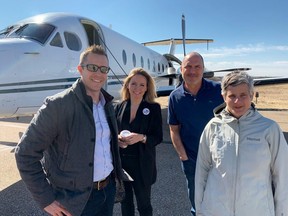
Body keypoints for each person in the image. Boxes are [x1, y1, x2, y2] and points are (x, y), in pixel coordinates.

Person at [15, 45, 125, 216]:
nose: (99, 74)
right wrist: (46, 200)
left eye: (104, 69)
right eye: (92, 68)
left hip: (107, 190)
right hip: (74, 201)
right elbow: (25, 153)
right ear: (80, 69)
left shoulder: (107, 104)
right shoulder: (57, 105)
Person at [195, 71, 288, 216]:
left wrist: (282, 212)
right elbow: (202, 171)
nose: (237, 101)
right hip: (216, 210)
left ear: (251, 95)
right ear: (224, 97)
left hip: (257, 210)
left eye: (243, 95)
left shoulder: (269, 129)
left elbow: (282, 176)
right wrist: (200, 210)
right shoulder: (213, 127)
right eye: (232, 96)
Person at [167, 52, 223, 215]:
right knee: (196, 202)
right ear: (181, 70)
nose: (192, 71)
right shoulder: (174, 97)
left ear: (203, 69)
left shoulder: (218, 90)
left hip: (219, 159)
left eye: (197, 67)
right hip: (191, 160)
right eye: (188, 67)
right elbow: (174, 129)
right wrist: (183, 157)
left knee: (222, 199)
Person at [114, 67, 163, 216]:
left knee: (144, 205)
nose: (137, 88)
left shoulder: (153, 108)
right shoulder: (119, 107)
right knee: (126, 204)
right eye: (134, 83)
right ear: (127, 85)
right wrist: (117, 140)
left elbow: (158, 137)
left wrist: (142, 137)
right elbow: (112, 133)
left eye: (142, 85)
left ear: (147, 87)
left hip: (142, 165)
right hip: (123, 164)